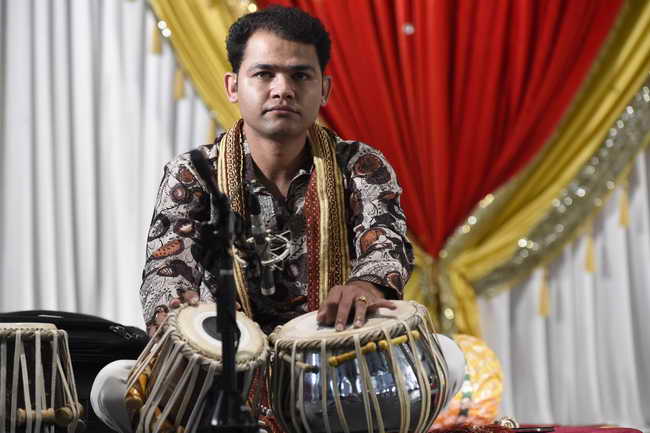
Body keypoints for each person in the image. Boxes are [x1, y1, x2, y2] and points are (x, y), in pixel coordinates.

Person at [91, 6, 465, 433]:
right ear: (234, 86)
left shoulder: (359, 165)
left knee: (448, 356)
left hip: (334, 369)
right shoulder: (193, 172)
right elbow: (165, 271)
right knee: (113, 383)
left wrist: (366, 286)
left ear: (324, 89)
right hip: (227, 372)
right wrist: (185, 318)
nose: (282, 89)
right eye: (264, 74)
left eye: (300, 75)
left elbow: (386, 243)